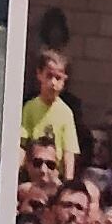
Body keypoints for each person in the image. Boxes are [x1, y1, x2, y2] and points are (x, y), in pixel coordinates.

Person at [26, 38, 87, 171]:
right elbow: (22, 143)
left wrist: (68, 182)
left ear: (64, 81)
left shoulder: (66, 113)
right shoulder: (30, 108)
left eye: (58, 78)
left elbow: (69, 152)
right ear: (39, 74)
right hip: (33, 172)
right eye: (49, 76)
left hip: (54, 175)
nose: (53, 82)